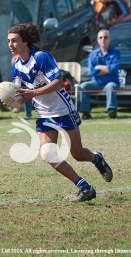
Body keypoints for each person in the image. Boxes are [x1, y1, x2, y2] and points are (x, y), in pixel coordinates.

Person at [7, 23, 113, 202]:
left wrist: (32, 93)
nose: (10, 44)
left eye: (14, 41)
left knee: (78, 154)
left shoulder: (41, 57)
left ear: (25, 41)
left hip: (63, 111)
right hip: (43, 114)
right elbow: (19, 91)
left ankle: (96, 159)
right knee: (48, 154)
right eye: (9, 41)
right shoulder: (16, 65)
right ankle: (84, 187)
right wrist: (13, 99)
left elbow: (58, 82)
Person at [79, 29, 120, 120]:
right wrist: (106, 69)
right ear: (97, 40)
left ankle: (111, 111)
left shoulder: (115, 53)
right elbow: (92, 71)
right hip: (96, 83)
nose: (103, 39)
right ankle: (85, 112)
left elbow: (114, 69)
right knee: (83, 86)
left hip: (111, 81)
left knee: (110, 87)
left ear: (109, 39)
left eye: (105, 37)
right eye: (100, 37)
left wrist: (98, 67)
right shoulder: (93, 54)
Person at [11, 55, 32, 120]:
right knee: (14, 91)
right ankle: (16, 106)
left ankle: (28, 114)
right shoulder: (15, 60)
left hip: (28, 83)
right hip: (18, 82)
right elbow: (16, 78)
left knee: (27, 95)